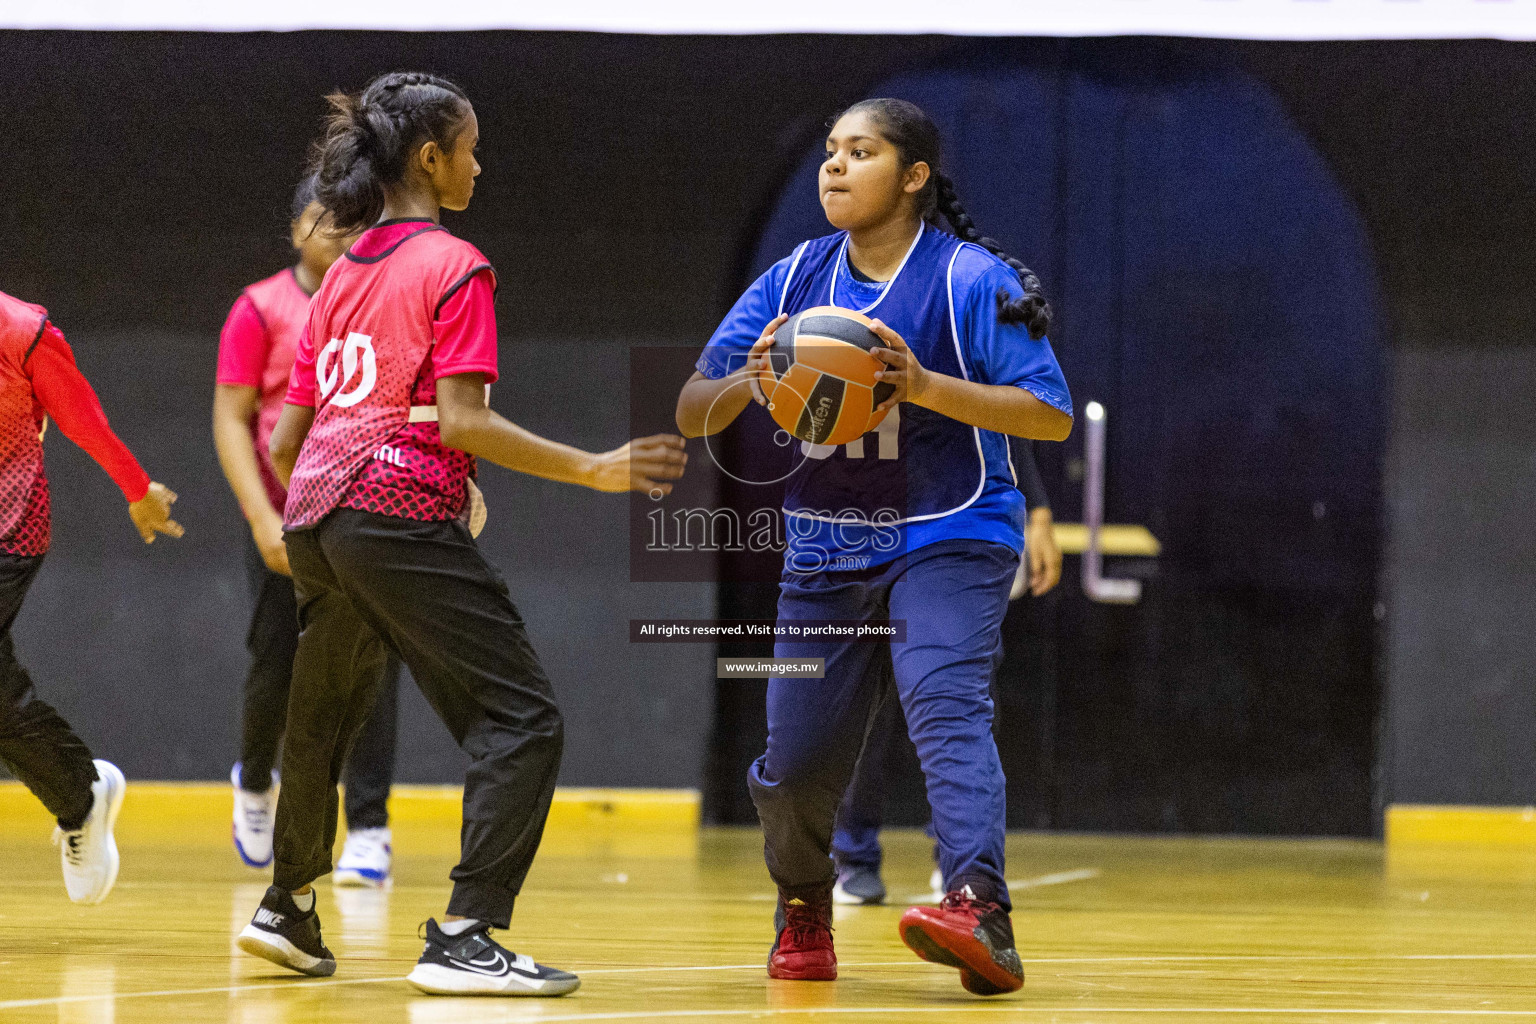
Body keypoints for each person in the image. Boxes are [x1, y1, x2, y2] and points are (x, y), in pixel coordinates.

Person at [234, 71, 688, 996]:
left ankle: (286, 906)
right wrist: (594, 468)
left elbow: (283, 436)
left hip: (317, 519)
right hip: (390, 515)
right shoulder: (455, 264)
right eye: (471, 148)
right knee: (523, 720)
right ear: (432, 159)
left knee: (319, 718)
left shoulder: (342, 273)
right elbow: (462, 420)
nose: (481, 164)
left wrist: (352, 477)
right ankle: (467, 935)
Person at [676, 98, 1072, 995]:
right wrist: (752, 371)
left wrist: (924, 384)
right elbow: (693, 408)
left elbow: (1047, 413)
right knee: (798, 760)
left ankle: (981, 910)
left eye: (861, 152)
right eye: (829, 152)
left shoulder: (972, 279)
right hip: (826, 545)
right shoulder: (791, 282)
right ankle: (806, 906)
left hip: (954, 529)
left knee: (944, 700)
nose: (835, 167)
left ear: (915, 176)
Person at [214, 173, 403, 886]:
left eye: (361, 225)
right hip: (284, 521)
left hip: (364, 516)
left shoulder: (385, 303)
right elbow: (233, 418)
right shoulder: (259, 308)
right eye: (334, 225)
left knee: (374, 670)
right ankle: (256, 781)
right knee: (276, 664)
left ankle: (370, 826)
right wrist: (263, 518)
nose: (350, 238)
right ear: (298, 230)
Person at [0, 289, 183, 905]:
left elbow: (82, 419)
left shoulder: (21, 331)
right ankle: (81, 793)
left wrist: (136, 487)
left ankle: (80, 791)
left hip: (8, 527)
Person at [831, 436, 1064, 906]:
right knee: (863, 710)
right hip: (870, 537)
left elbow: (1009, 414)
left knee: (963, 707)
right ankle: (853, 858)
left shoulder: (971, 365)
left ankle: (961, 863)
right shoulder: (840, 367)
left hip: (957, 539)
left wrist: (1037, 511)